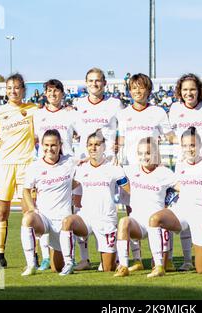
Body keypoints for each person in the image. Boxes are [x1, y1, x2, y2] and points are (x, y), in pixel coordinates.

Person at [147, 127, 202, 278]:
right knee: (155, 219)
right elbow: (180, 187)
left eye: (192, 145)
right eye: (185, 145)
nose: (189, 149)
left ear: (199, 146)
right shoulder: (180, 164)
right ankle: (159, 265)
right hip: (182, 210)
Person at [116, 73, 175, 272]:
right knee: (132, 212)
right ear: (130, 91)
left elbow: (170, 136)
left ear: (148, 90)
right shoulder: (124, 114)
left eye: (141, 87)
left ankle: (165, 258)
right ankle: (138, 259)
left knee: (161, 214)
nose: (137, 91)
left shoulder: (158, 112)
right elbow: (121, 141)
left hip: (154, 169)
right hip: (133, 168)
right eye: (134, 88)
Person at [167, 73, 202, 271]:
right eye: (185, 90)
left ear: (199, 90)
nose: (189, 93)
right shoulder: (174, 108)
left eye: (192, 89)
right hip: (183, 169)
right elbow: (171, 134)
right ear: (180, 92)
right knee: (185, 213)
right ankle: (187, 259)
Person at [72, 68, 124, 271]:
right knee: (79, 207)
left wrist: (118, 151)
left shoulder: (114, 104)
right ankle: (84, 258)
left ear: (105, 83)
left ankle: (119, 254)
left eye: (98, 81)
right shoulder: (78, 104)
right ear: (86, 83)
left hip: (107, 164)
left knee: (110, 209)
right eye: (91, 81)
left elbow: (124, 128)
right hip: (85, 164)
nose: (95, 84)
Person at [0, 73, 39, 270]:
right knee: (2, 212)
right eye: (9, 88)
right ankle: (0, 256)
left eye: (16, 87)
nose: (13, 91)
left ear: (23, 90)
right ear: (5, 91)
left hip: (26, 166)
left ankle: (33, 254)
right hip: (5, 166)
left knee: (29, 212)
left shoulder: (33, 110)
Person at [57, 131, 130, 275]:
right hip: (86, 217)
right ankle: (69, 263)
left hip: (106, 219)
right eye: (90, 145)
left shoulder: (114, 168)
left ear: (104, 146)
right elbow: (70, 189)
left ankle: (113, 259)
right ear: (86, 147)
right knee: (67, 222)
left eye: (97, 144)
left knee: (107, 268)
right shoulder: (81, 168)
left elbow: (129, 190)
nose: (93, 148)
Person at [32, 79, 80, 271]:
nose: (53, 94)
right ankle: (45, 256)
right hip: (44, 167)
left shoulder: (70, 114)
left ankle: (74, 256)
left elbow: (83, 134)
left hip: (66, 166)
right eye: (49, 91)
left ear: (62, 94)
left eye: (56, 91)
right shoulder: (38, 115)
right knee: (43, 211)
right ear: (45, 93)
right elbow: (33, 140)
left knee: (70, 212)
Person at [113, 137, 177, 277]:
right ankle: (123, 266)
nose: (144, 157)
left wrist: (170, 202)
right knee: (124, 221)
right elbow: (113, 169)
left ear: (155, 153)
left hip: (157, 222)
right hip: (138, 223)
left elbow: (181, 188)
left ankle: (159, 266)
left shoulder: (165, 173)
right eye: (140, 153)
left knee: (163, 264)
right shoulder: (131, 170)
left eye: (148, 153)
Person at [20, 129, 77, 276]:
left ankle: (70, 260)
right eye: (46, 145)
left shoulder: (70, 162)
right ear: (41, 145)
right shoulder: (35, 167)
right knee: (27, 219)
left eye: (53, 145)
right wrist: (33, 209)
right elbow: (26, 190)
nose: (49, 149)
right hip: (43, 219)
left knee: (56, 267)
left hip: (63, 221)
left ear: (60, 145)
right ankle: (31, 264)